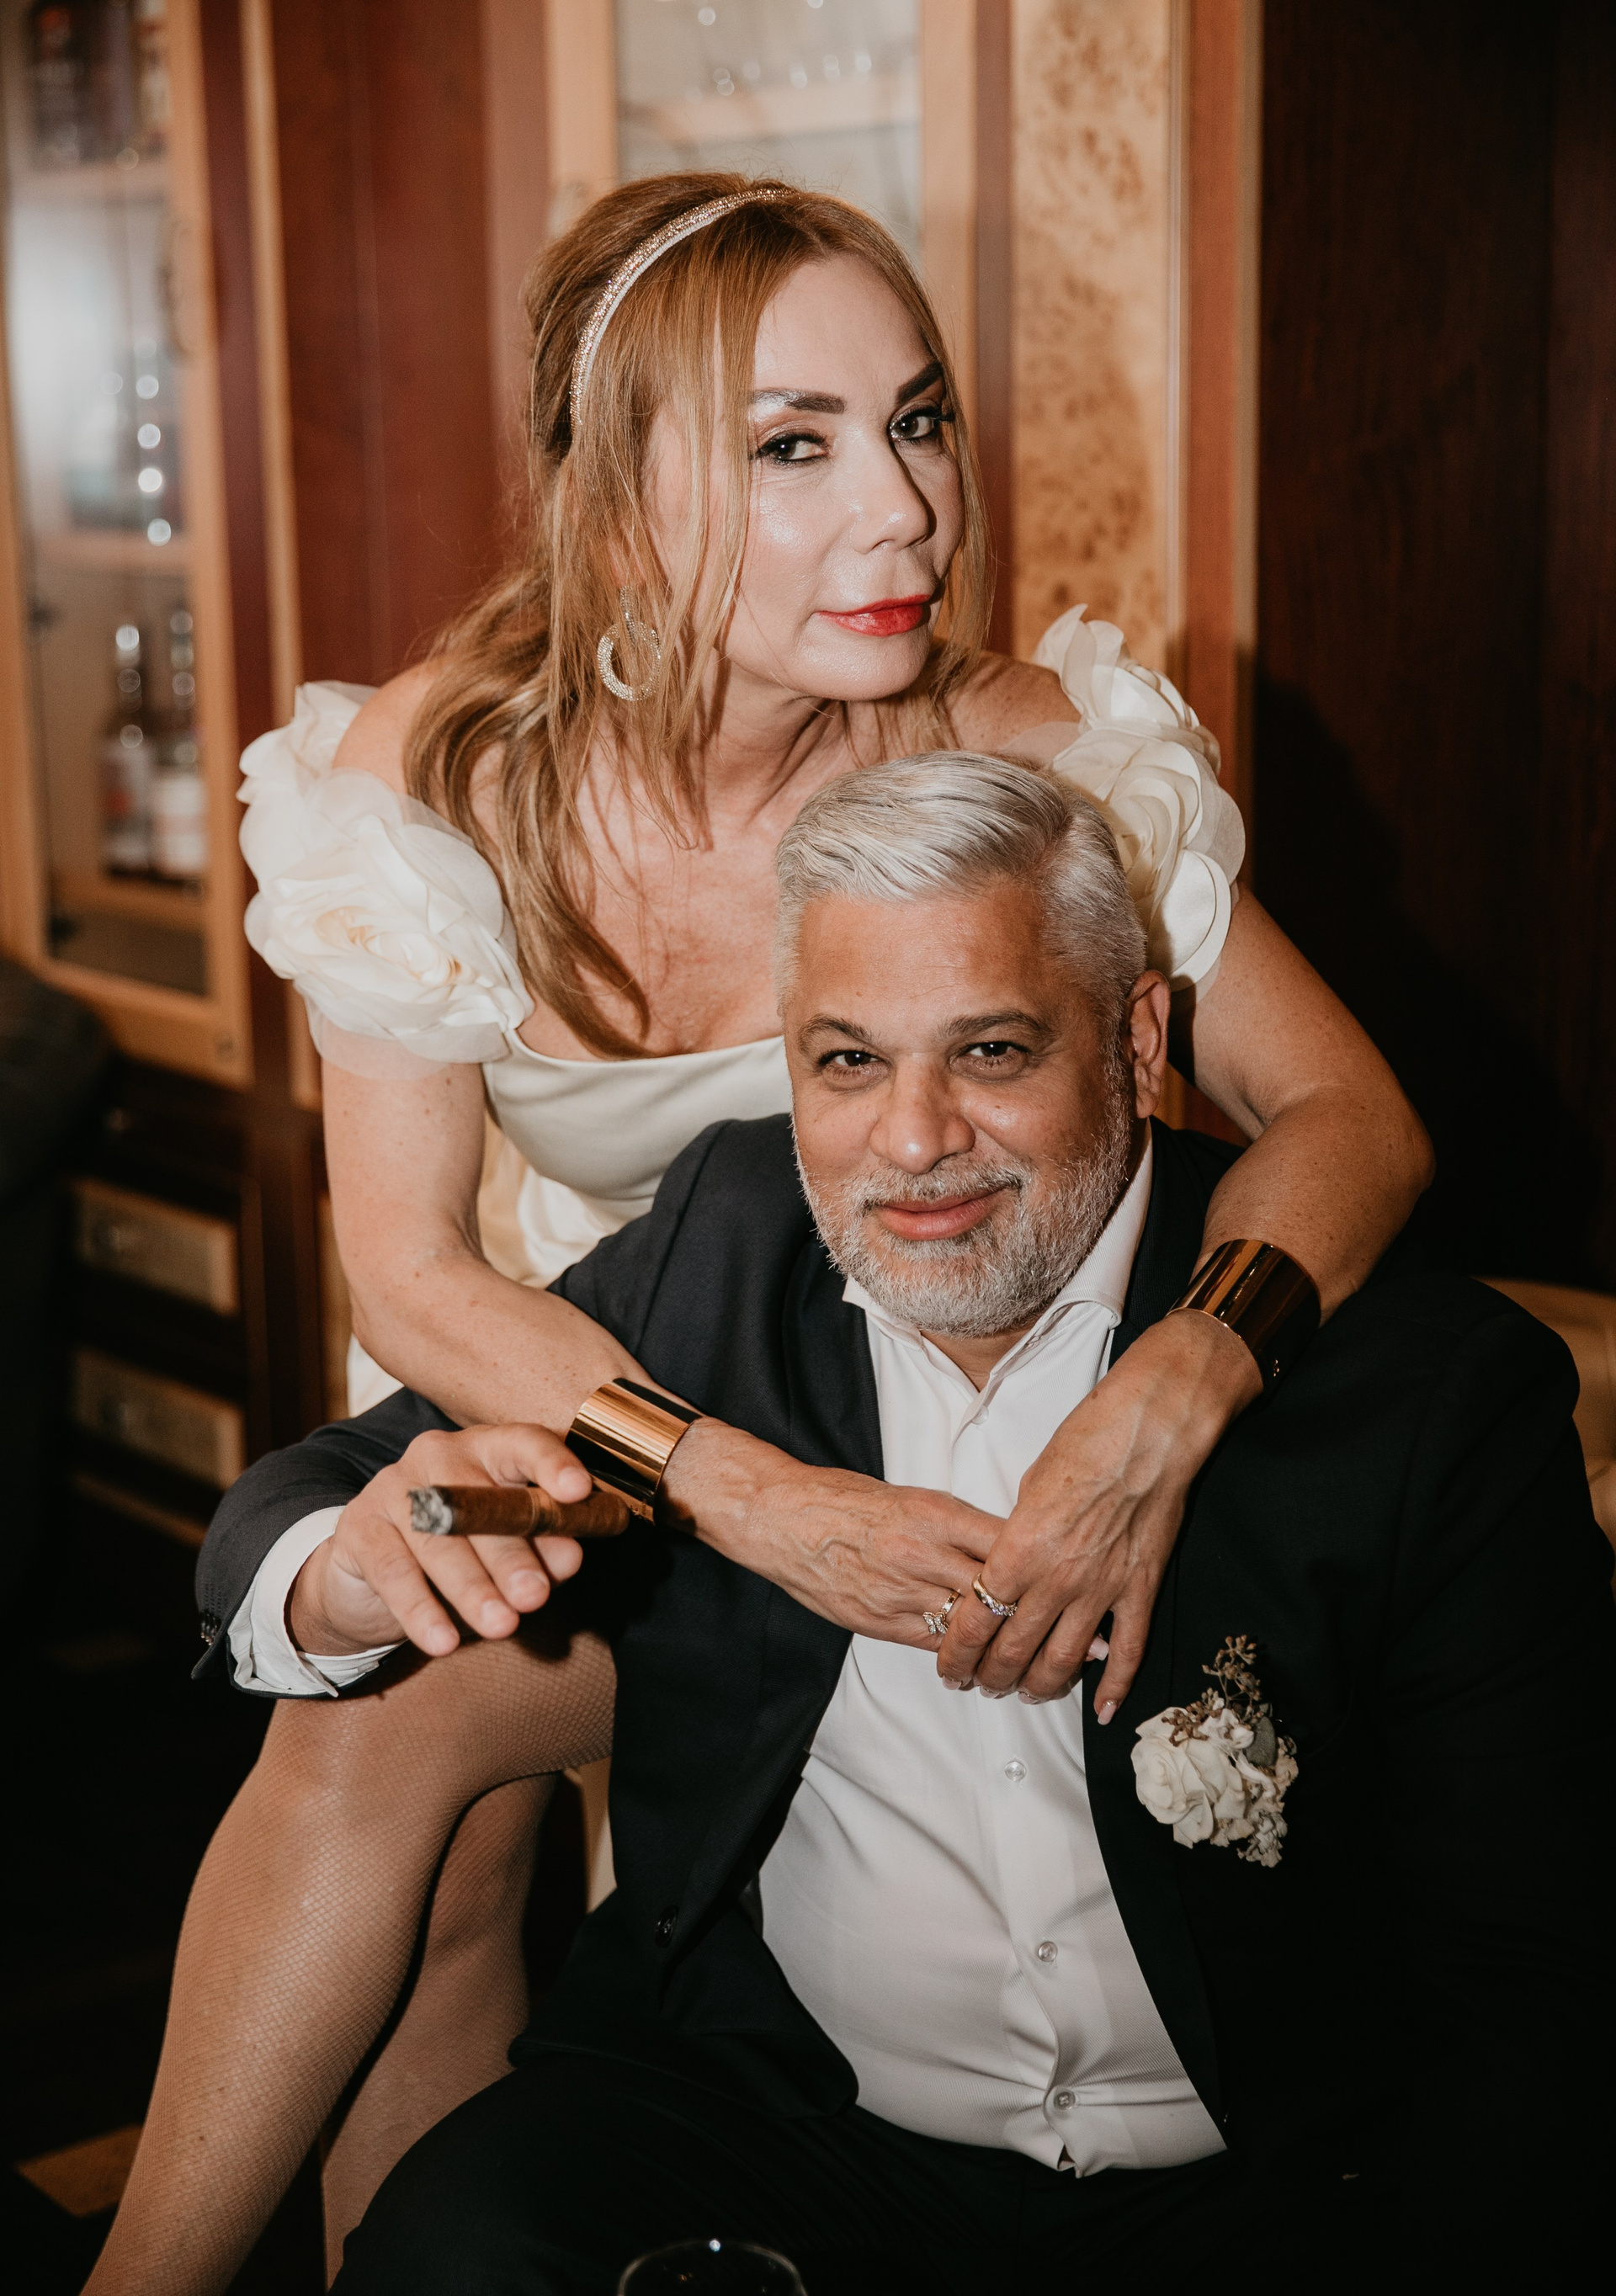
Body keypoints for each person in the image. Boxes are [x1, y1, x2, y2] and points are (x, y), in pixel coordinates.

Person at [87, 175, 1433, 2294]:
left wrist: (1184, 1381)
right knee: (410, 1790)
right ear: (615, 503)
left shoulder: (1025, 755)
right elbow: (414, 1268)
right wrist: (740, 1495)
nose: (904, 510)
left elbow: (1351, 1115)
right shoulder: (438, 777)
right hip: (552, 1383)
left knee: (439, 1767)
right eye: (792, 446)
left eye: (917, 421)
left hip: (916, 1390)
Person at [196, 756, 1613, 2293]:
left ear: (1138, 1041)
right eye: (849, 1062)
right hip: (791, 2122)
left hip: (1263, 2181)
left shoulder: (1422, 1392)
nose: (916, 1139)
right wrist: (346, 1574)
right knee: (451, 2255)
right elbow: (319, 1489)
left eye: (992, 1051)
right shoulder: (725, 1253)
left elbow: (1532, 1971)